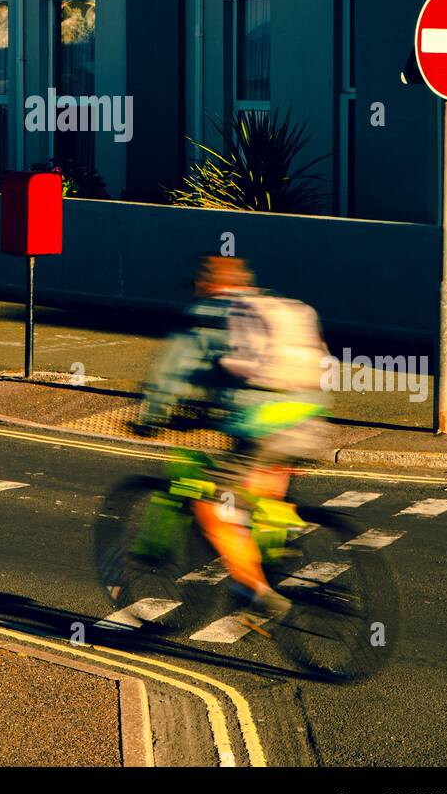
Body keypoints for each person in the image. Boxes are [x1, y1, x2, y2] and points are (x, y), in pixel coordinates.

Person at [135, 255, 330, 620]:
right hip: (309, 416)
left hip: (262, 422)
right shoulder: (276, 306)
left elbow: (173, 372)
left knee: (211, 503)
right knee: (259, 491)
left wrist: (151, 415)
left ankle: (252, 587)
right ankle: (273, 551)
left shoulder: (210, 313)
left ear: (206, 283)